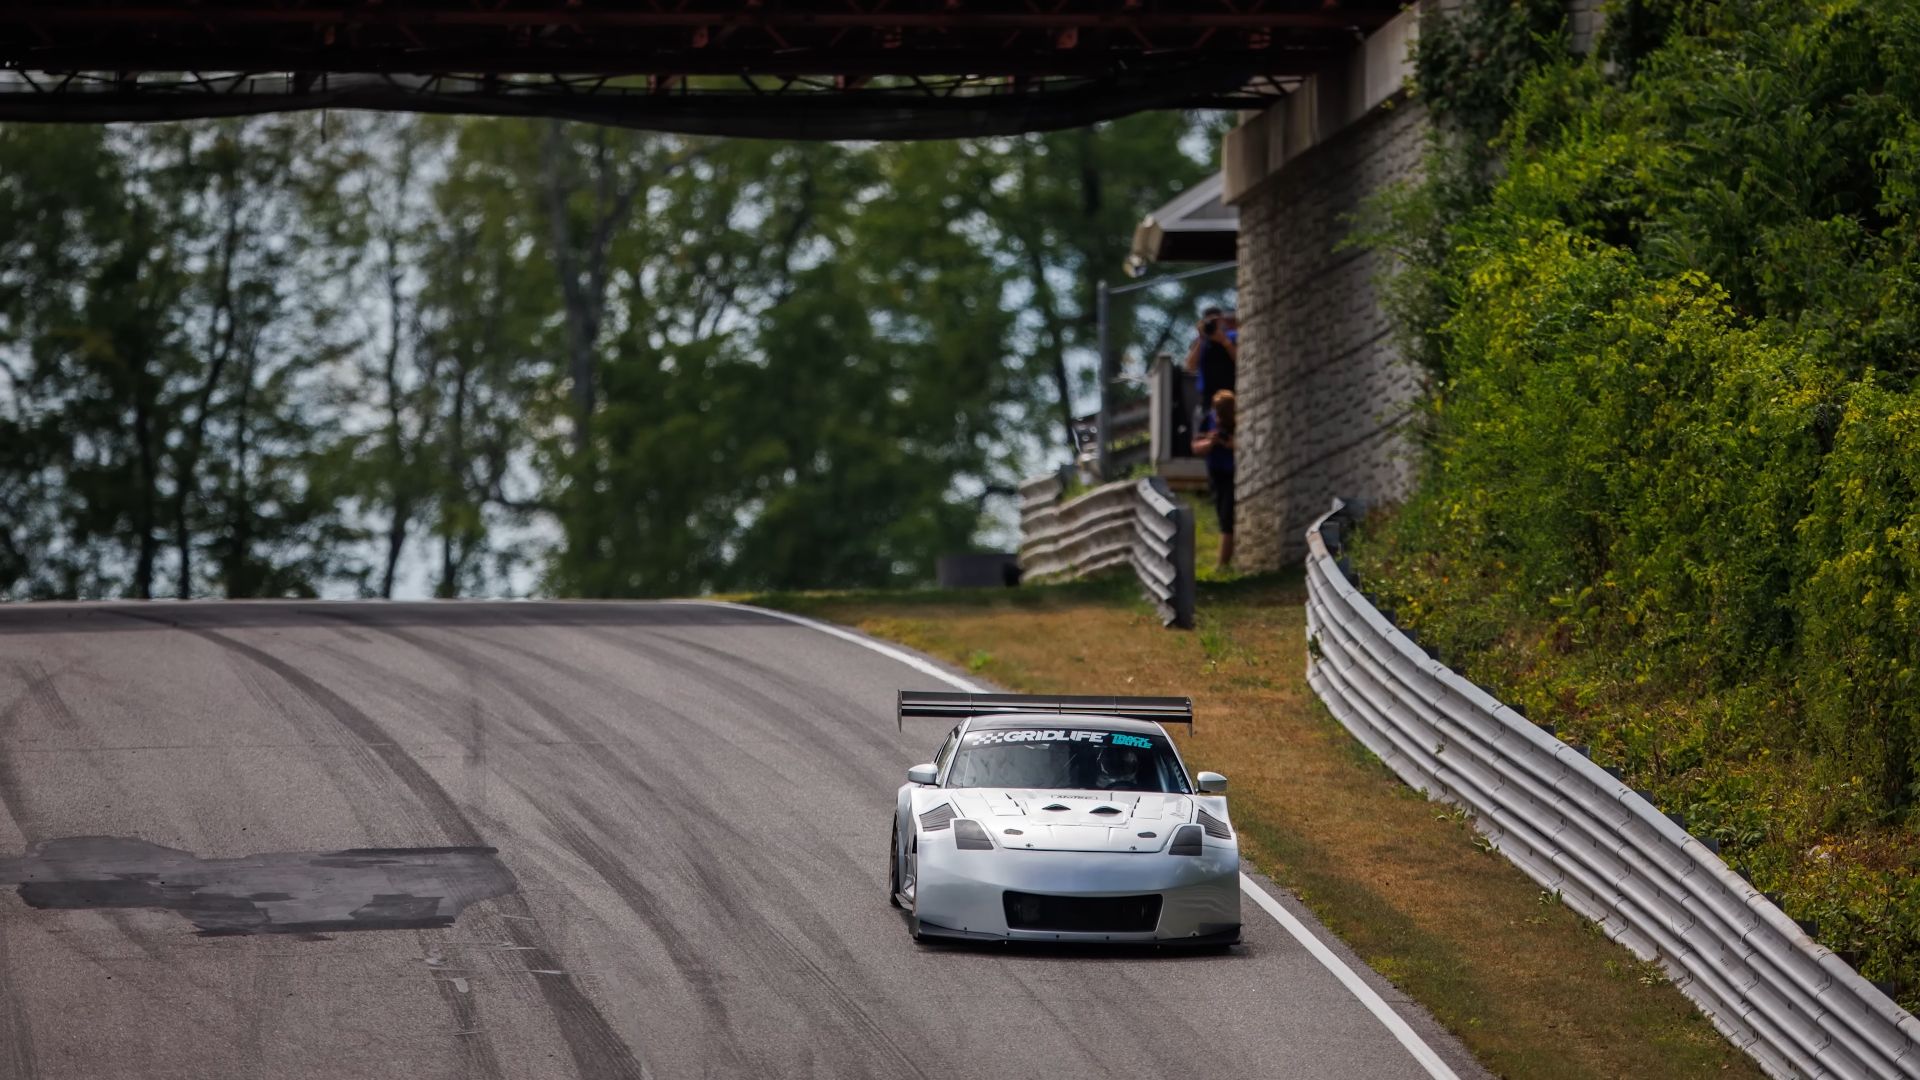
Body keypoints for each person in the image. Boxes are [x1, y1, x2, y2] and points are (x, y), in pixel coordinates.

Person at [1192, 389, 1236, 569]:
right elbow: (1196, 447)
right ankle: (1224, 563)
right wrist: (1211, 442)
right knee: (1222, 514)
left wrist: (1228, 443)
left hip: (1234, 474)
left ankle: (1222, 564)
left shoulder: (1237, 421)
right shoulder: (1206, 421)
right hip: (1216, 474)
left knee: (1227, 518)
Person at [1184, 305, 1237, 400]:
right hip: (1208, 397)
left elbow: (1240, 360)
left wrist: (1224, 341)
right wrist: (1201, 338)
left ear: (1222, 320)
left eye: (1216, 321)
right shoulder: (1200, 342)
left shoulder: (1231, 336)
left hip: (1231, 394)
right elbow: (1190, 367)